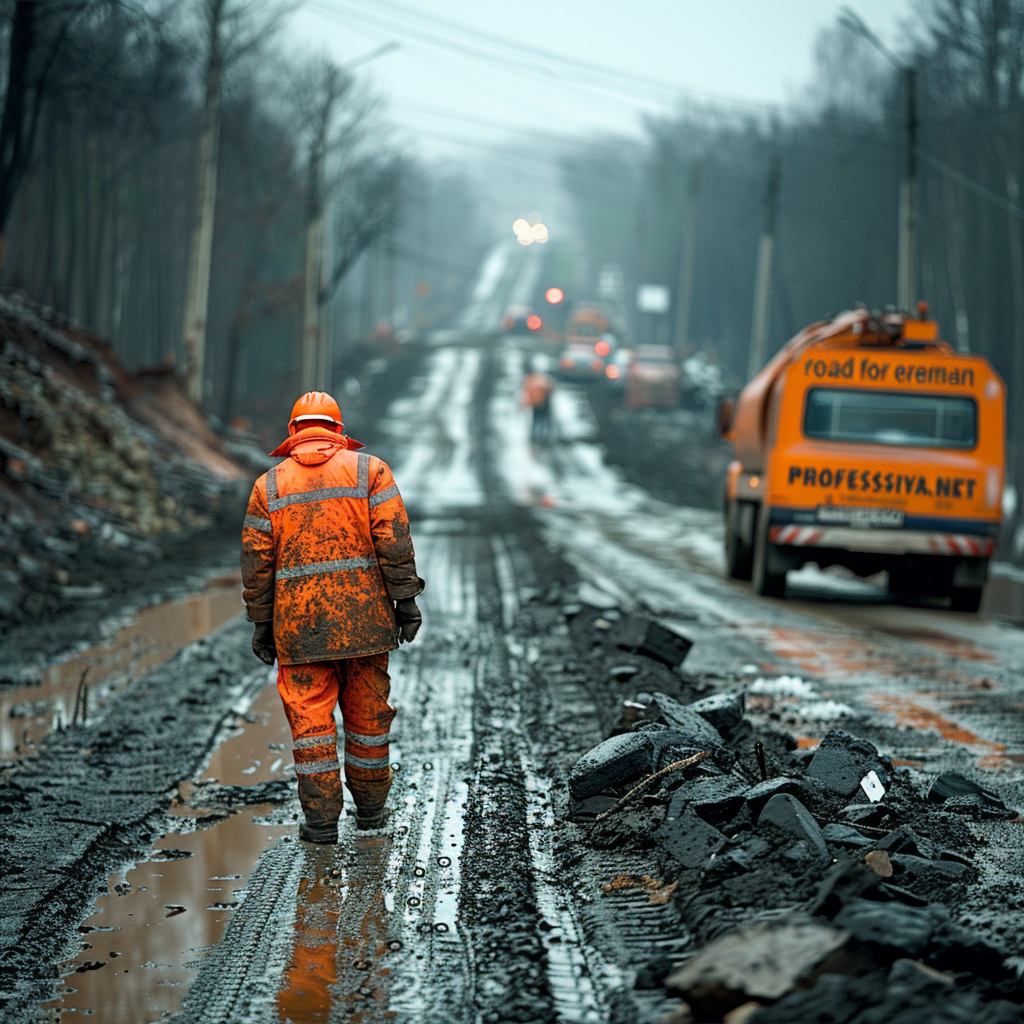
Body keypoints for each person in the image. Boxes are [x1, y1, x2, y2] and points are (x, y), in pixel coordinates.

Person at [240, 391, 423, 843]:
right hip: (365, 625)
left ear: (292, 433)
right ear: (339, 431)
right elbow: (394, 541)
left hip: (300, 632)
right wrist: (406, 602)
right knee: (368, 722)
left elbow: (256, 564)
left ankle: (321, 824)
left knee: (312, 731)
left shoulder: (270, 486)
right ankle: (372, 813)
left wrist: (262, 623)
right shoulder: (371, 471)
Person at [521, 364, 554, 442]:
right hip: (542, 404)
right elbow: (550, 389)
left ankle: (536, 437)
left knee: (537, 421)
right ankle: (541, 437)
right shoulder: (544, 379)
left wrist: (526, 403)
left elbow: (527, 392)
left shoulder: (530, 379)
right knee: (542, 421)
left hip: (537, 404)